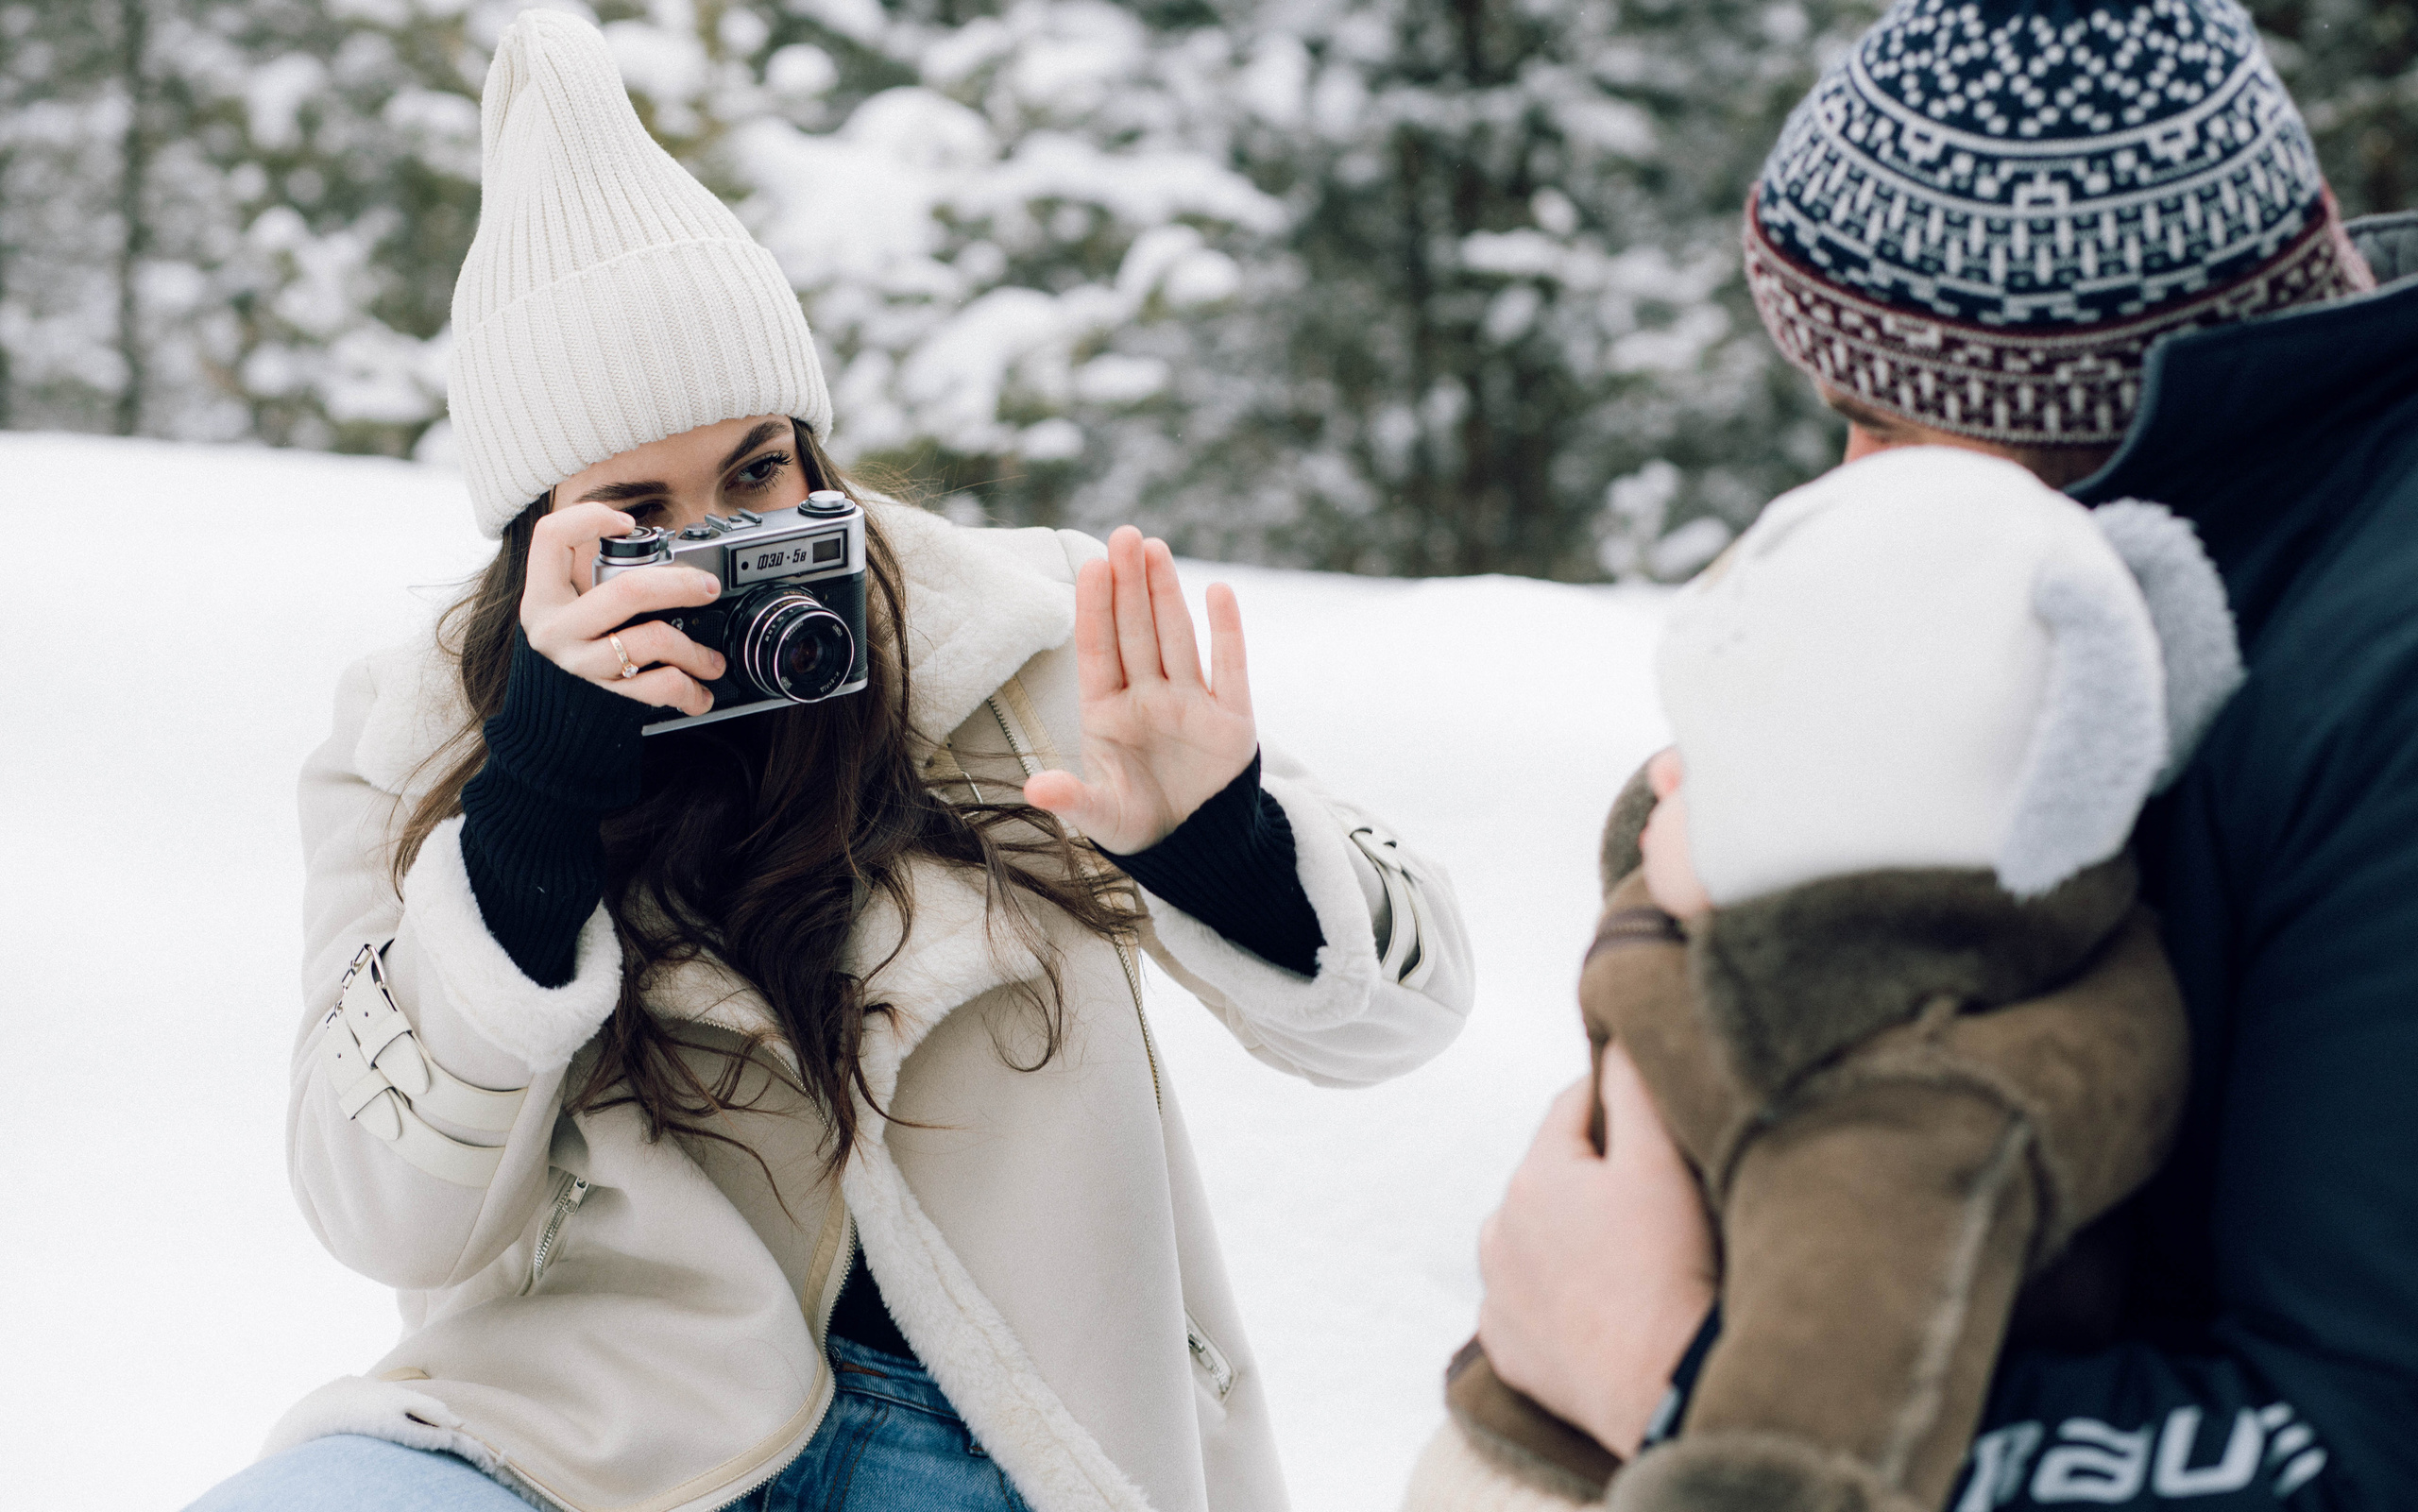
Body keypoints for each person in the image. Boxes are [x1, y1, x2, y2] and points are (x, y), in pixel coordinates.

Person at [187, 12, 1472, 1512]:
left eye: (758, 473)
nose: (722, 550)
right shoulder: (421, 739)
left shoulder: (1008, 640)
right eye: (641, 513)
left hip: (1000, 1438)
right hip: (581, 1431)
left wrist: (1220, 840)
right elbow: (381, 1216)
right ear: (537, 530)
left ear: (815, 448)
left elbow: (1415, 1009)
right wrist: (533, 810)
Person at [1473, 1, 2418, 1507]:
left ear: (2069, 408)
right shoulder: (2105, 576)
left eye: (1877, 425)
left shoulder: (2378, 681)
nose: (1847, 489)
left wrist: (1673, 1371)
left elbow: (2358, 1442)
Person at [1415, 448, 2240, 1510]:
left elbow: (1812, 1429)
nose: (1665, 771)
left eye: (1713, 763)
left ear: (1826, 819)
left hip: (1576, 1472)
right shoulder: (1855, 910)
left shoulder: (1900, 1114)